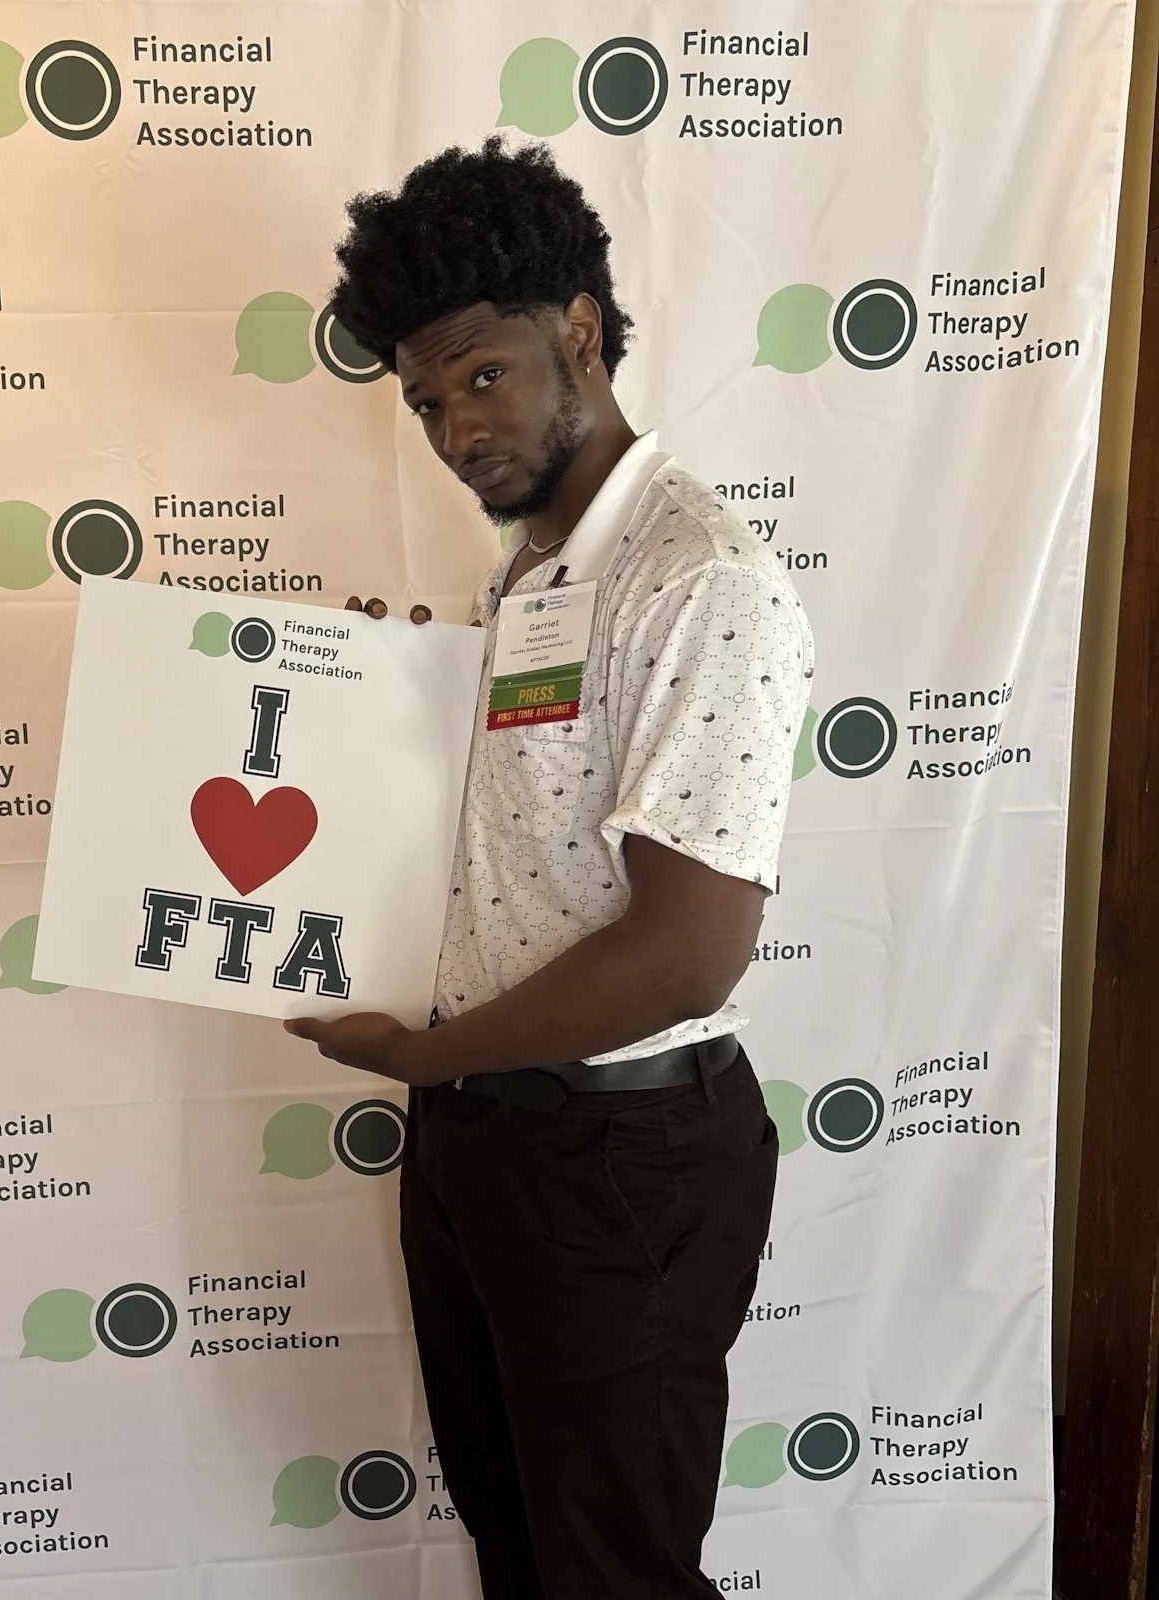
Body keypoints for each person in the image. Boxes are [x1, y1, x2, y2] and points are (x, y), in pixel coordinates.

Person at [284, 137, 815, 1600]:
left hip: (621, 1159)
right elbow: (516, 837)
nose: (455, 429)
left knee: (615, 1574)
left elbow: (685, 953)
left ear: (577, 331)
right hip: (488, 1141)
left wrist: (426, 1051)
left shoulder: (695, 575)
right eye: (424, 401)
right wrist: (389, 705)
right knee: (519, 1552)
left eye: (481, 377)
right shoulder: (533, 570)